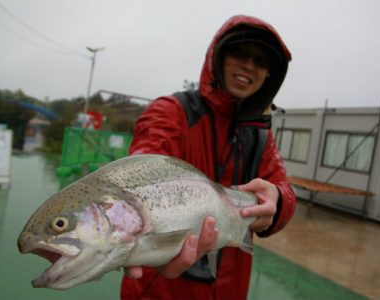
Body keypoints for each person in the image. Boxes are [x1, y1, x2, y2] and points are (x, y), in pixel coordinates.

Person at [121, 15, 296, 299]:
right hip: (160, 290)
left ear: (269, 75)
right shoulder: (173, 111)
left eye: (261, 61)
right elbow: (144, 164)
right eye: (240, 52)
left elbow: (284, 191)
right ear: (218, 56)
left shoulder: (262, 135)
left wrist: (277, 200)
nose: (249, 65)